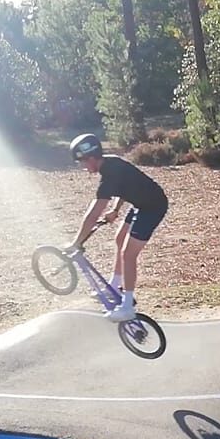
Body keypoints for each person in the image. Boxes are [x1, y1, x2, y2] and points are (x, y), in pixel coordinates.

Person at [67, 133, 168, 322]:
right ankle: (114, 286)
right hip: (140, 203)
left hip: (153, 207)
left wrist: (77, 242)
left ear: (91, 158)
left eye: (82, 162)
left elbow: (93, 214)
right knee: (119, 239)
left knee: (128, 254)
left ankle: (127, 306)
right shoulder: (110, 164)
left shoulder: (109, 177)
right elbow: (124, 186)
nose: (83, 166)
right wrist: (115, 209)